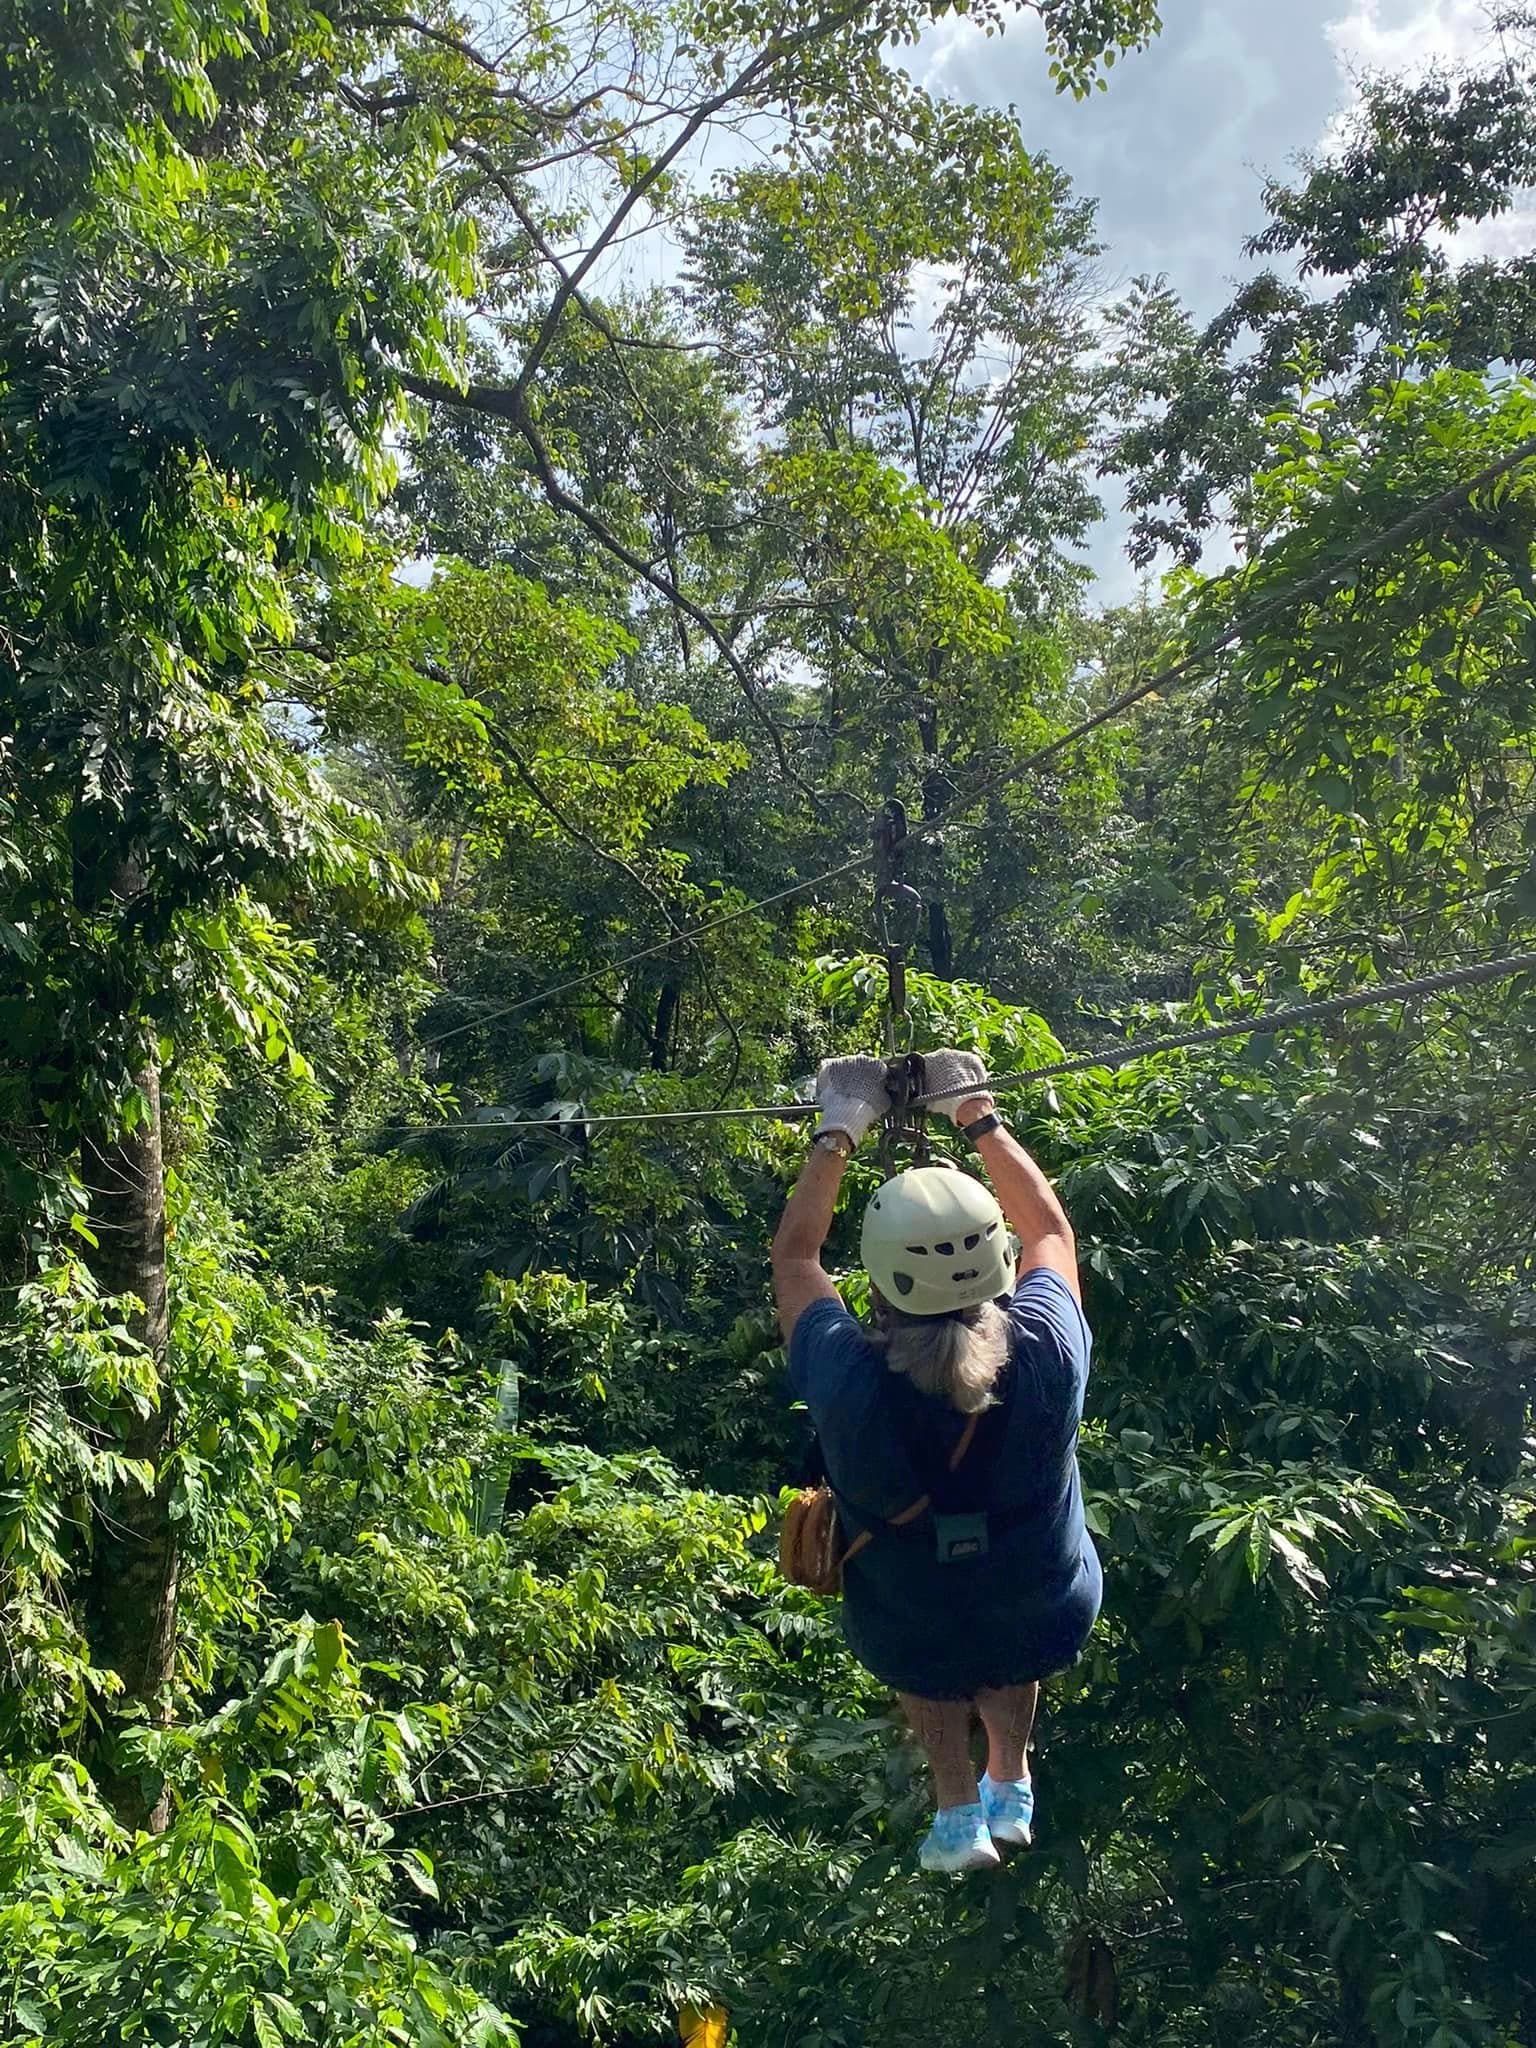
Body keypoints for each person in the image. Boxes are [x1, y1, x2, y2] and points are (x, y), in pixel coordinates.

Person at [772, 1049, 1102, 1874]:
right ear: (992, 1266)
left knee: (932, 1638)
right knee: (1009, 1615)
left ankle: (958, 1812)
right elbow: (1050, 1234)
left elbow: (797, 1261)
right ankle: (1010, 1779)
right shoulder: (1048, 1353)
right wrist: (976, 1113)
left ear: (880, 1287)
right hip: (1046, 1605)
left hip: (908, 1622)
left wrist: (840, 1131)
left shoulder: (849, 1378)